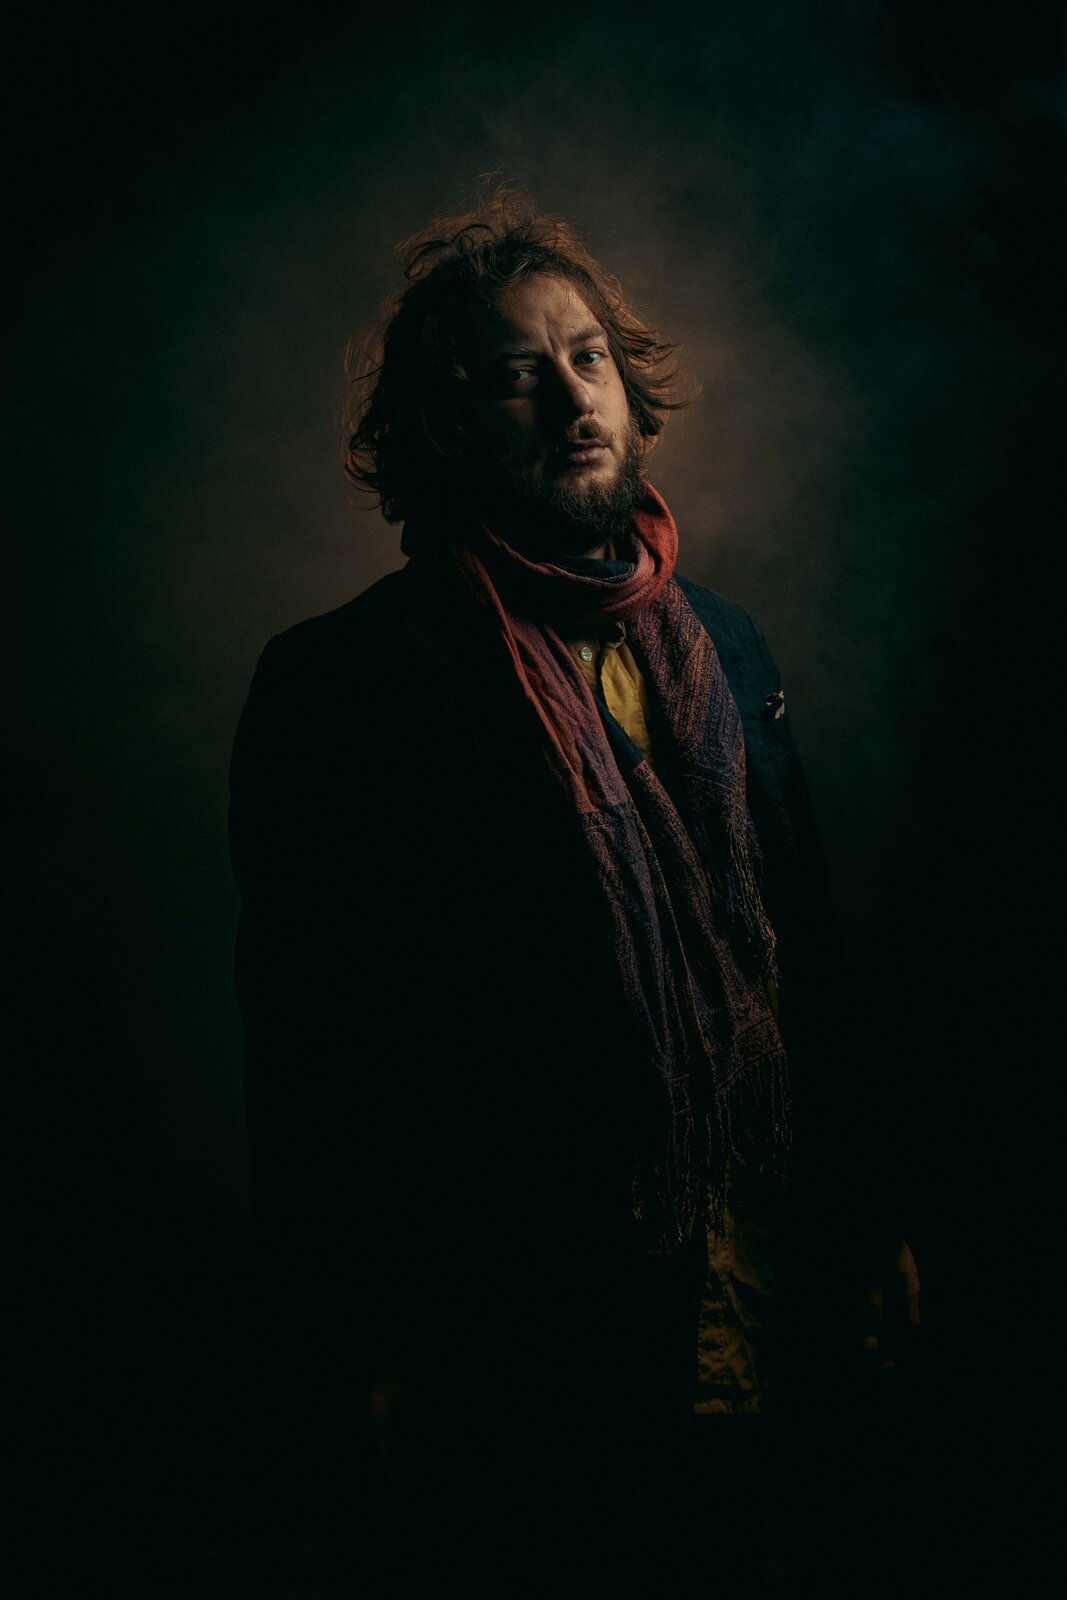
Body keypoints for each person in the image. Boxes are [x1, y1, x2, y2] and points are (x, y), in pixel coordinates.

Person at [229, 188, 920, 1595]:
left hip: (750, 1280)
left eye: (588, 355)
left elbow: (799, 956)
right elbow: (319, 1050)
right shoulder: (348, 681)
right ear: (442, 424)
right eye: (512, 374)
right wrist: (352, 1346)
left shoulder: (723, 645)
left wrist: (863, 1217)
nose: (571, 397)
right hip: (517, 1330)